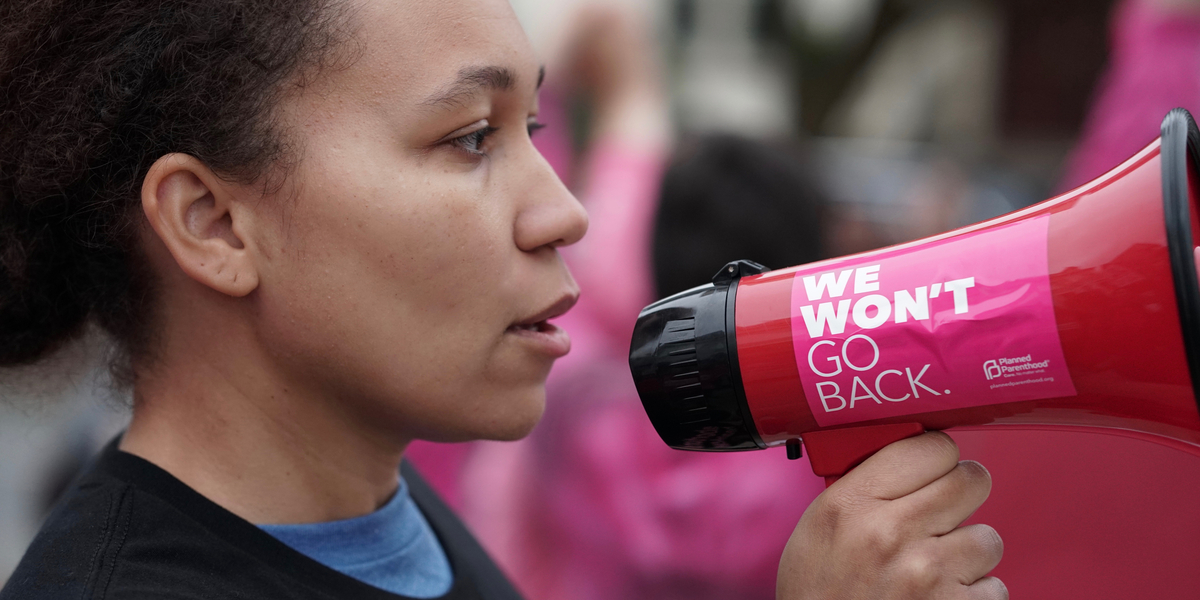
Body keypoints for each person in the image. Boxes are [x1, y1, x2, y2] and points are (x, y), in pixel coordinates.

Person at [0, 1, 1004, 599]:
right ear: (214, 223)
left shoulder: (396, 519)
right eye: (470, 137)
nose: (563, 211)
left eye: (537, 123)